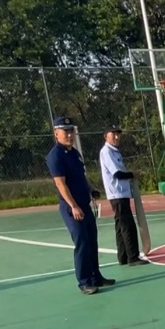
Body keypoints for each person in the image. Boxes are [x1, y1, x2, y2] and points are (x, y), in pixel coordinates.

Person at [46, 116, 113, 295]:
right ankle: (84, 282)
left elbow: (81, 177)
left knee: (91, 240)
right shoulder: (55, 156)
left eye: (71, 131)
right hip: (71, 208)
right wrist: (74, 206)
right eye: (65, 131)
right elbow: (61, 184)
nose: (69, 135)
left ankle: (96, 277)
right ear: (56, 133)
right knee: (82, 242)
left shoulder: (74, 153)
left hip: (85, 204)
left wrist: (91, 189)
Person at [98, 125, 148, 266]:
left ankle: (123, 256)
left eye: (118, 134)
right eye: (113, 134)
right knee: (127, 225)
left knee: (120, 226)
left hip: (121, 193)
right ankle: (133, 257)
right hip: (117, 194)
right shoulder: (107, 152)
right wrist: (132, 174)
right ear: (105, 136)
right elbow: (117, 174)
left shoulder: (115, 152)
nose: (117, 137)